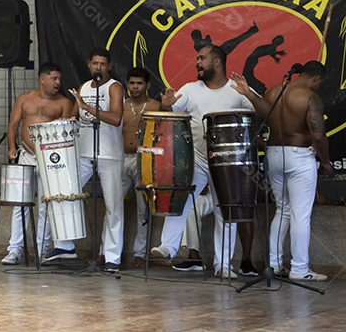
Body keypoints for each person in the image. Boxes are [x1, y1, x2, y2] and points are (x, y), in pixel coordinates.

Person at [155, 45, 254, 278]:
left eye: (202, 58)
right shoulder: (190, 89)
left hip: (226, 162)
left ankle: (223, 265)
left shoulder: (236, 89)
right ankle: (168, 247)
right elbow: (167, 113)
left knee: (226, 212)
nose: (197, 62)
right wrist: (166, 104)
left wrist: (249, 94)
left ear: (216, 62)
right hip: (198, 159)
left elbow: (262, 111)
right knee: (181, 197)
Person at [232, 61, 333, 281]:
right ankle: (300, 269)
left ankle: (275, 264)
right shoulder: (311, 98)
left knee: (283, 209)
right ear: (316, 79)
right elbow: (317, 135)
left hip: (274, 154)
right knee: (300, 214)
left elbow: (262, 118)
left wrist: (249, 93)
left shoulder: (274, 92)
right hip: (299, 156)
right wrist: (326, 162)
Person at [2, 62, 75, 265]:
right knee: (20, 204)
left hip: (50, 158)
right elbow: (13, 125)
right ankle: (14, 250)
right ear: (42, 79)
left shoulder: (64, 103)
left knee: (46, 205)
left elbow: (65, 133)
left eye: (59, 79)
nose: (57, 83)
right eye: (54, 78)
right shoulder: (25, 99)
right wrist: (11, 147)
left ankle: (42, 251)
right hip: (26, 154)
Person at [68, 48, 125, 270]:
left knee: (113, 207)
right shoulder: (84, 87)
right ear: (89, 64)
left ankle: (111, 258)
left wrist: (87, 107)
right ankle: (65, 245)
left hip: (109, 154)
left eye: (102, 64)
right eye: (95, 63)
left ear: (109, 66)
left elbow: (116, 118)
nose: (98, 67)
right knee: (67, 193)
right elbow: (74, 115)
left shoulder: (115, 87)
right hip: (83, 152)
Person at [120, 67, 161, 269]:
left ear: (148, 85)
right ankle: (106, 251)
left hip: (144, 159)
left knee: (143, 209)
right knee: (113, 207)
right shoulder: (120, 106)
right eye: (132, 83)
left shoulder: (156, 106)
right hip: (120, 158)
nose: (135, 87)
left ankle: (140, 253)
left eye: (139, 83)